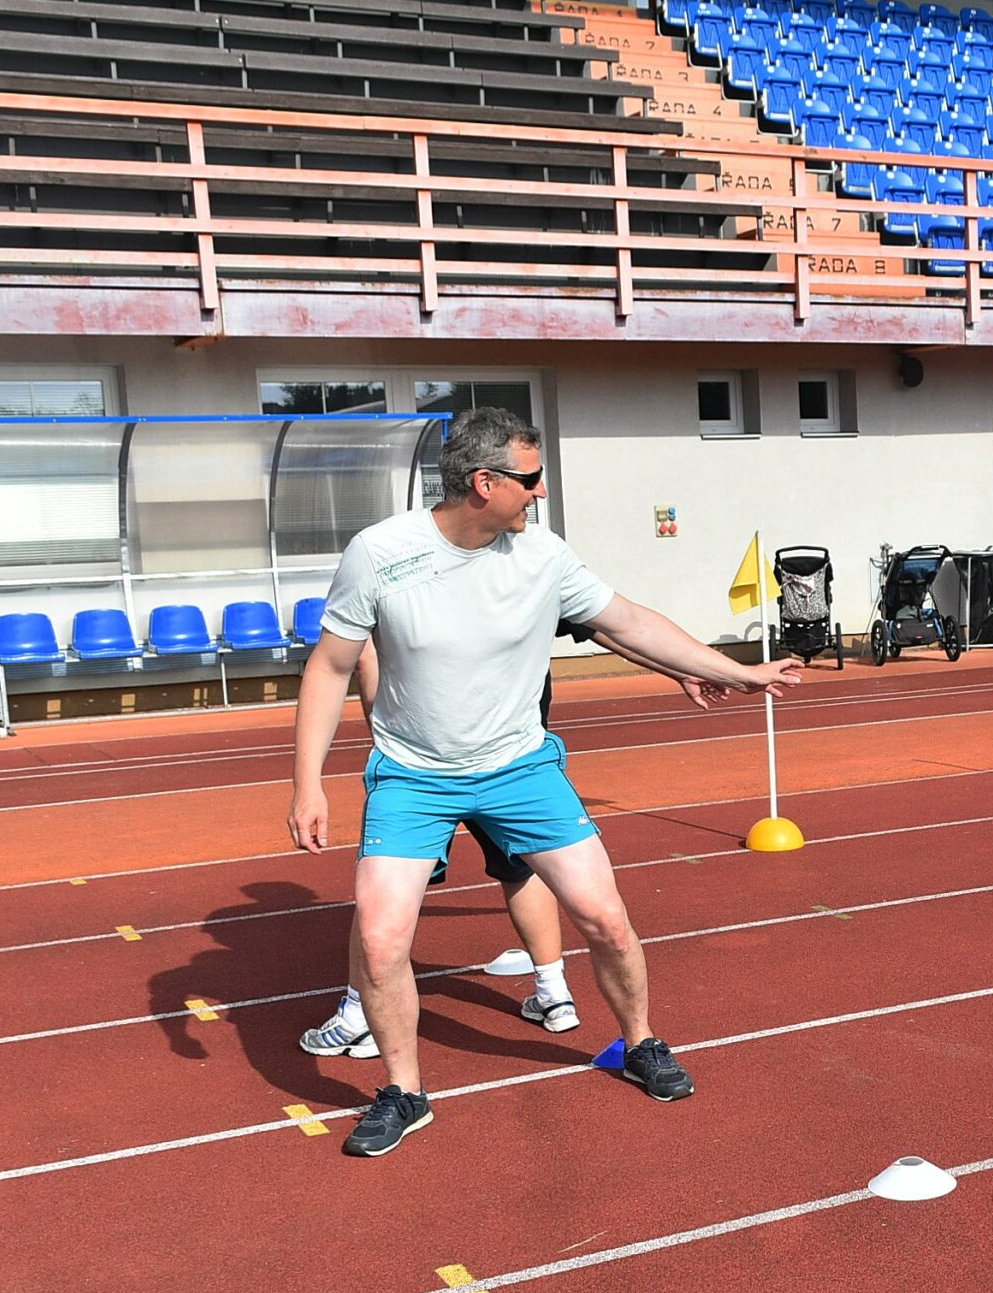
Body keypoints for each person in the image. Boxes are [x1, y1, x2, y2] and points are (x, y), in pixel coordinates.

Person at [288, 408, 802, 1158]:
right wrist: (308, 783)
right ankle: (404, 1092)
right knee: (378, 937)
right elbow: (332, 666)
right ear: (484, 483)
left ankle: (641, 1042)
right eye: (529, 479)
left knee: (606, 919)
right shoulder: (380, 552)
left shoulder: (544, 554)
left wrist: (735, 670)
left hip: (520, 767)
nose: (541, 491)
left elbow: (628, 622)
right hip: (413, 775)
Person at [299, 624, 717, 1057]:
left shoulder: (448, 586)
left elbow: (605, 620)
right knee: (522, 870)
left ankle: (359, 1015)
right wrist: (680, 668)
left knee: (387, 896)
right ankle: (553, 992)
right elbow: (610, 626)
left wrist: (385, 740)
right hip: (508, 763)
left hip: (439, 764)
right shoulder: (519, 584)